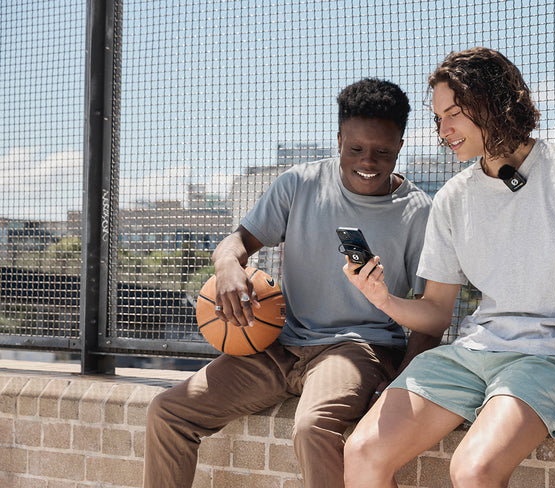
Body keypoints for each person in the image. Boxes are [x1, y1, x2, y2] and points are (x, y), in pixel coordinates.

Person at [342, 48, 555, 488]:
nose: (443, 130)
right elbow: (436, 313)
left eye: (454, 114)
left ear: (494, 103)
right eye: (438, 118)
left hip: (549, 358)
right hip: (471, 354)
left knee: (473, 469)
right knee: (362, 451)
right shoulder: (452, 198)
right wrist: (382, 299)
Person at [144, 78, 439, 488]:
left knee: (313, 426)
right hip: (280, 344)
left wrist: (398, 385)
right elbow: (237, 242)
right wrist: (227, 264)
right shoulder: (299, 183)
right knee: (167, 412)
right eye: (355, 149)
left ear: (400, 146)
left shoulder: (419, 213)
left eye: (382, 152)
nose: (368, 161)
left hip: (358, 349)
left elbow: (431, 317)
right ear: (339, 140)